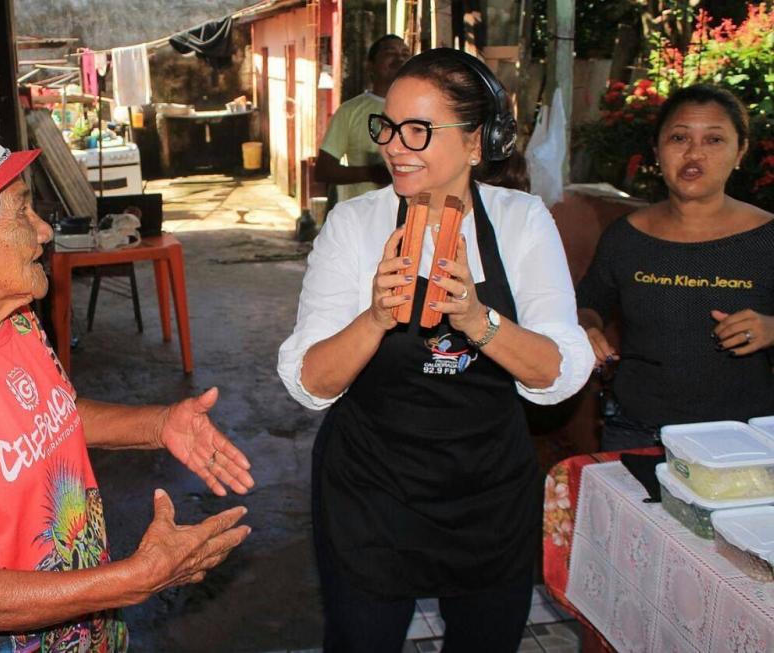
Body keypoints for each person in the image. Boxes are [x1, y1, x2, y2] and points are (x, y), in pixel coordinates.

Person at [0, 106, 254, 652]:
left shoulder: (11, 318)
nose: (42, 230)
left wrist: (159, 425)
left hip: (92, 632)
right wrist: (134, 579)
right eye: (20, 212)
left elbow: (52, 414)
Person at [278, 48, 594, 652]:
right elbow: (312, 382)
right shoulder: (356, 226)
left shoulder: (523, 221)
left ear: (476, 143)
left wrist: (478, 320)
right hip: (371, 490)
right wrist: (374, 318)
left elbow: (558, 370)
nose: (395, 145)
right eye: (389, 127)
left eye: (419, 130)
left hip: (486, 493)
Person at [577, 84, 774, 451]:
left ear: (740, 151)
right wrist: (587, 328)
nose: (694, 152)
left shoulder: (767, 238)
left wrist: (771, 328)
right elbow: (587, 303)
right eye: (679, 137)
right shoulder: (626, 236)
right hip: (635, 431)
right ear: (657, 150)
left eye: (714, 140)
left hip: (742, 439)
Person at [314, 34, 410, 203]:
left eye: (405, 54)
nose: (399, 59)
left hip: (411, 216)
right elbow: (324, 170)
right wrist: (371, 173)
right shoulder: (349, 111)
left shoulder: (423, 108)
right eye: (390, 53)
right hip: (365, 218)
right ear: (370, 65)